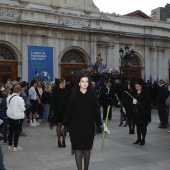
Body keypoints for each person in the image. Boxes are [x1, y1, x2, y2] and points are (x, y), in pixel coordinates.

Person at [62, 72, 103, 170]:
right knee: (78, 149)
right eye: (82, 81)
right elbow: (68, 111)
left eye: (87, 81)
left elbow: (96, 111)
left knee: (87, 149)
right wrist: (64, 124)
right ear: (79, 83)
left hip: (89, 125)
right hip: (76, 126)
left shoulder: (93, 95)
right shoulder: (73, 94)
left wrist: (100, 124)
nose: (85, 83)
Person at [6, 85, 26, 151]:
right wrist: (24, 108)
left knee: (11, 130)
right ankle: (15, 146)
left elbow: (8, 106)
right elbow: (22, 108)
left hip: (10, 116)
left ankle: (9, 145)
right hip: (18, 117)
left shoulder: (9, 97)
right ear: (19, 91)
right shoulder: (19, 99)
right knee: (17, 131)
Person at [52, 78, 69, 148]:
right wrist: (53, 111)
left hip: (65, 110)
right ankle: (59, 140)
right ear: (61, 83)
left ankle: (64, 140)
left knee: (64, 125)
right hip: (58, 110)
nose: (65, 84)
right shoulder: (56, 90)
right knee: (59, 125)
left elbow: (68, 99)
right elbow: (53, 101)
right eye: (64, 82)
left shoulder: (66, 90)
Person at [132, 80, 150, 146]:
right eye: (136, 86)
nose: (137, 88)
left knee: (143, 126)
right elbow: (133, 100)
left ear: (141, 86)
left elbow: (148, 102)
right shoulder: (134, 92)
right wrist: (133, 103)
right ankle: (138, 138)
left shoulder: (145, 93)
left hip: (144, 112)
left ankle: (143, 139)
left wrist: (140, 103)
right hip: (137, 112)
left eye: (138, 86)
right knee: (138, 126)